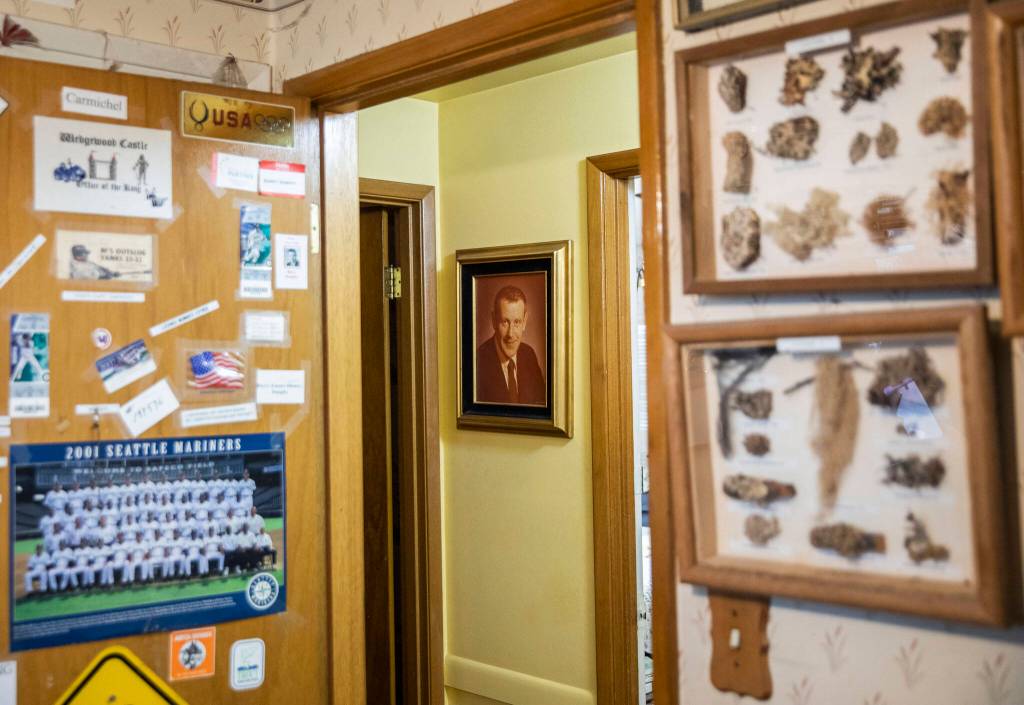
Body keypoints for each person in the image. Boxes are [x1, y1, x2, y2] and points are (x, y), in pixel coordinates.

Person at [474, 285, 546, 405]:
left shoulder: (529, 355)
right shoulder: (478, 362)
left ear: (524, 321)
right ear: (493, 321)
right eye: (505, 322)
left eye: (517, 322)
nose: (510, 334)